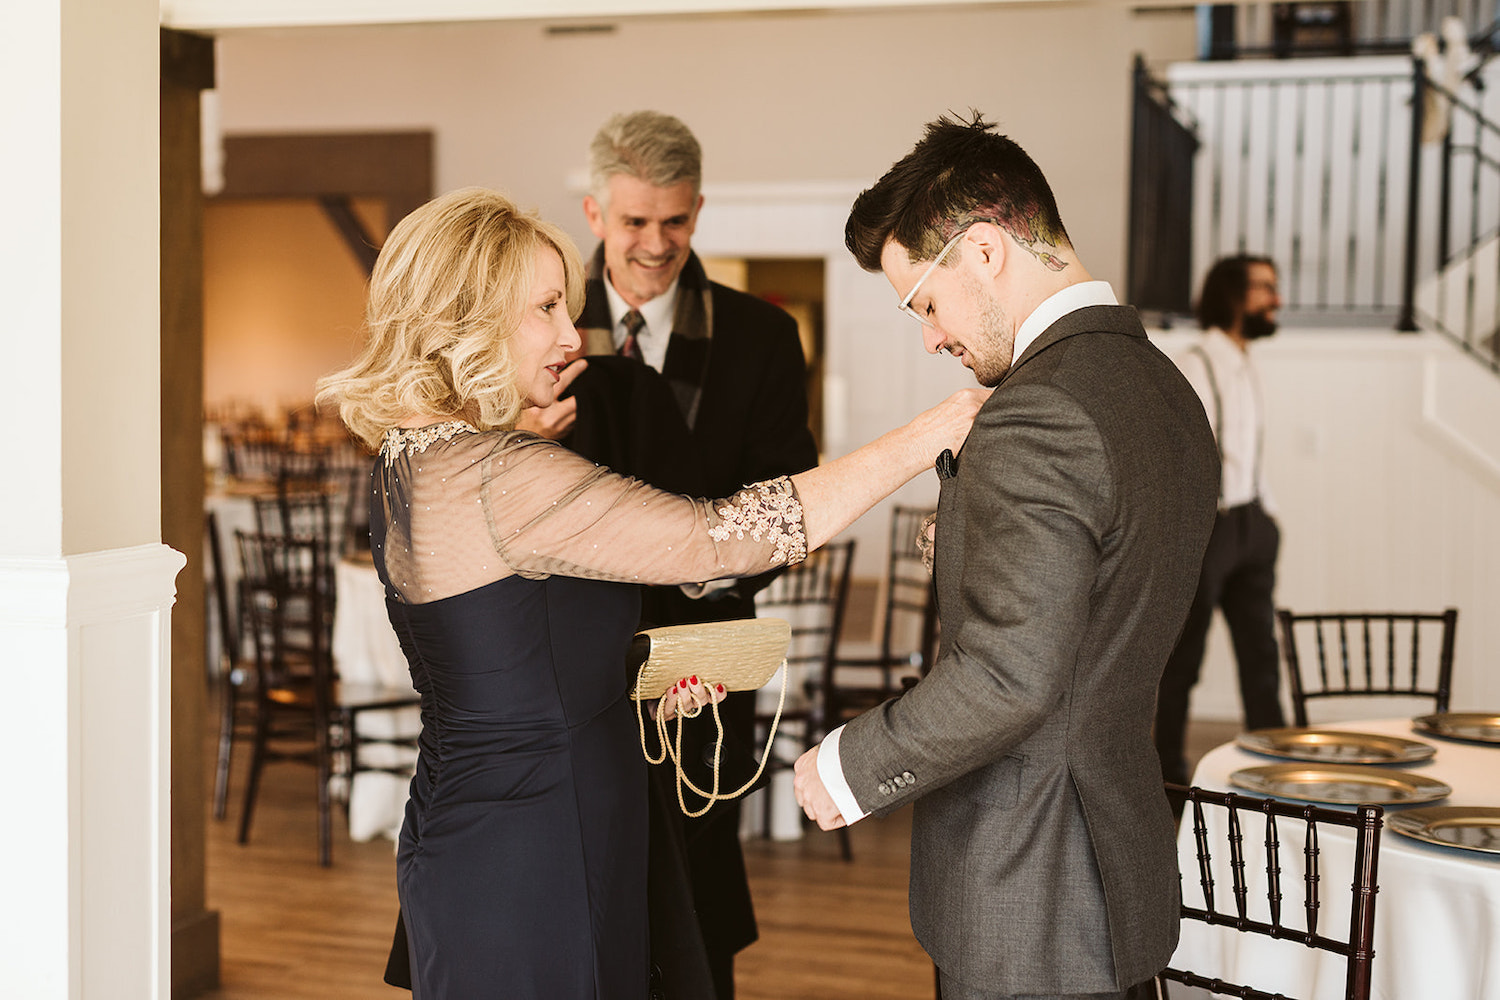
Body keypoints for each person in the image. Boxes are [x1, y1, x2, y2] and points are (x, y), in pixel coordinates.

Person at [313, 186, 984, 999]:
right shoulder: (501, 473)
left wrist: (625, 687)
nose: (572, 334)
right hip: (540, 846)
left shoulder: (407, 459)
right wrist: (929, 435)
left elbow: (499, 651)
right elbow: (724, 537)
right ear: (470, 315)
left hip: (472, 830)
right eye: (548, 307)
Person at [791, 113, 1221, 1000]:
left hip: (1029, 888)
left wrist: (847, 765)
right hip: (1113, 861)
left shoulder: (1040, 410)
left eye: (925, 304)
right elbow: (1100, 586)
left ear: (984, 251)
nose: (932, 338)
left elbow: (1012, 677)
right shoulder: (1161, 388)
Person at [519, 110, 819, 999]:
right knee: (583, 888)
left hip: (704, 656)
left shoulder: (761, 337)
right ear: (594, 212)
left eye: (676, 222)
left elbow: (784, 493)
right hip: (571, 663)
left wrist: (704, 562)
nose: (656, 244)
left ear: (699, 211)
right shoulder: (545, 325)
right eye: (635, 222)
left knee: (696, 896)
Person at [1153, 254, 1287, 787]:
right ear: (1234, 295)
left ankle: (1278, 772)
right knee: (1185, 659)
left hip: (1252, 526)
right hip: (1211, 530)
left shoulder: (1246, 362)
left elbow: (1247, 452)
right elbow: (1181, 456)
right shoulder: (1196, 362)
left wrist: (1267, 516)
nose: (1276, 299)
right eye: (1265, 288)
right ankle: (1166, 775)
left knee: (1262, 658)